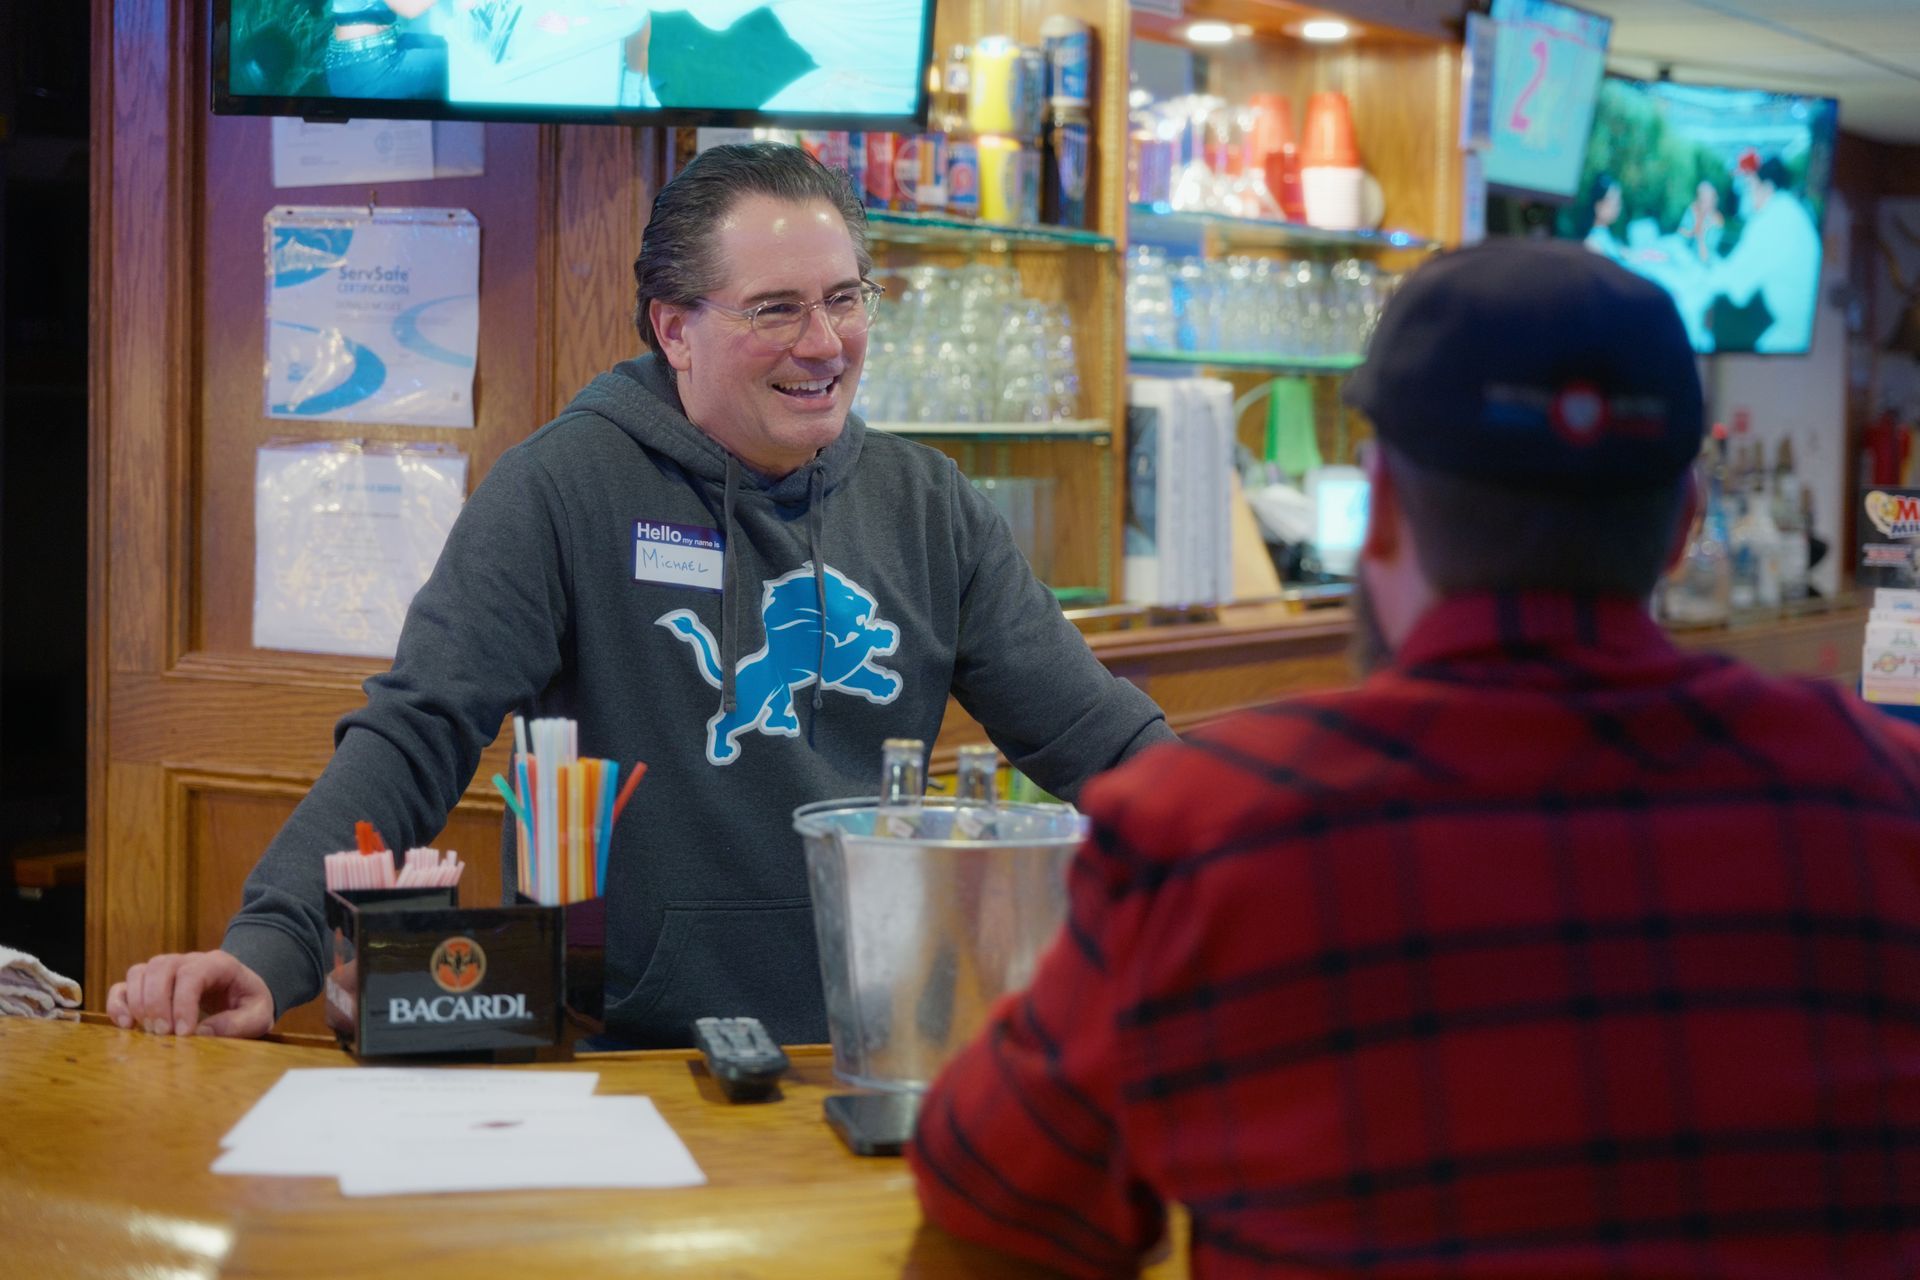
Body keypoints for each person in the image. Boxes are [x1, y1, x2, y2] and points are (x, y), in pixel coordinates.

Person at [910, 239, 1920, 1277]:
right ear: (1685, 527)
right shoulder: (1888, 804)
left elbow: (995, 1208)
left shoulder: (1208, 832)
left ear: (1380, 511)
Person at [107, 143, 1172, 1046]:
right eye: (776, 308)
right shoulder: (566, 485)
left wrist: (1274, 857)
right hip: (643, 1054)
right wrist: (270, 944)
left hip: (879, 1040)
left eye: (846, 298)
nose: (824, 343)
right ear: (673, 329)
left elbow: (1103, 740)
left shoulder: (929, 502)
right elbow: (417, 729)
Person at [1710, 154, 1823, 353]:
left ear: (1767, 187)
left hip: (1800, 331)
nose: (1746, 194)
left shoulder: (1771, 221)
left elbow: (1734, 284)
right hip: (1803, 324)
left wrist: (1698, 271)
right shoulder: (1788, 209)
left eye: (1749, 186)